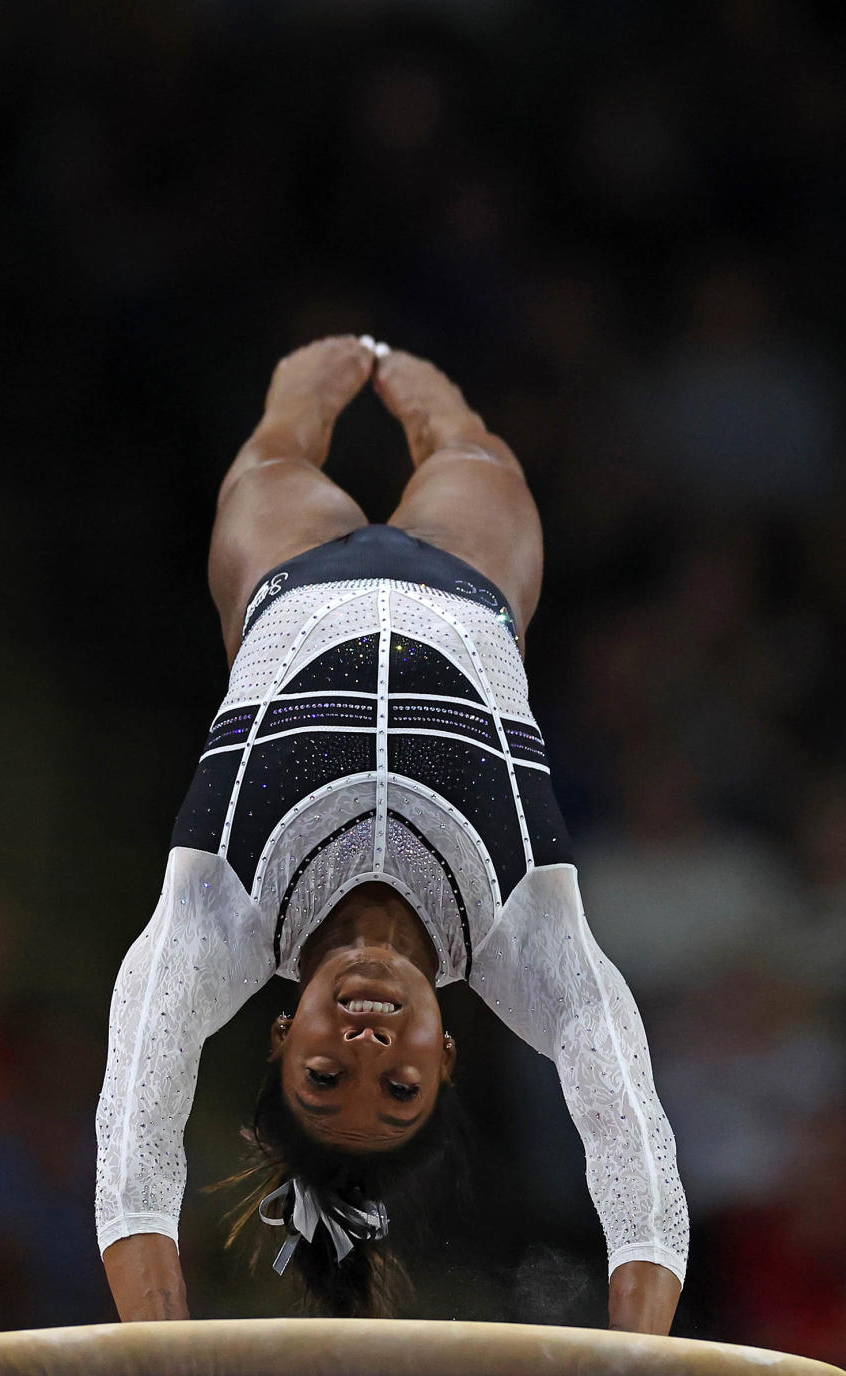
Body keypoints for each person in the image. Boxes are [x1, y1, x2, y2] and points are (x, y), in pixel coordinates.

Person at [95, 337, 688, 1333]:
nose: (365, 1043)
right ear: (448, 1054)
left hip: (282, 575)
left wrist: (159, 1348)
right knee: (466, 442)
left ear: (282, 1036)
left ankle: (344, 359)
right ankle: (419, 393)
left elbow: (134, 1150)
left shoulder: (216, 919)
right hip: (471, 579)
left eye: (326, 1075)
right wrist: (637, 1359)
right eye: (400, 1081)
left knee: (288, 425)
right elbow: (640, 1173)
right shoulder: (526, 938)